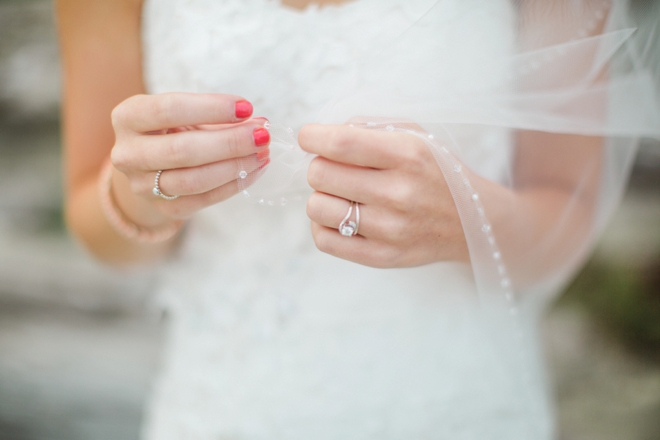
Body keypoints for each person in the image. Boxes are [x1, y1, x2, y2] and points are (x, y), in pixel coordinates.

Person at [57, 0, 659, 438]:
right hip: (226, 405)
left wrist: (466, 215)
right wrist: (137, 198)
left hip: (456, 406)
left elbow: (566, 209)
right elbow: (95, 226)